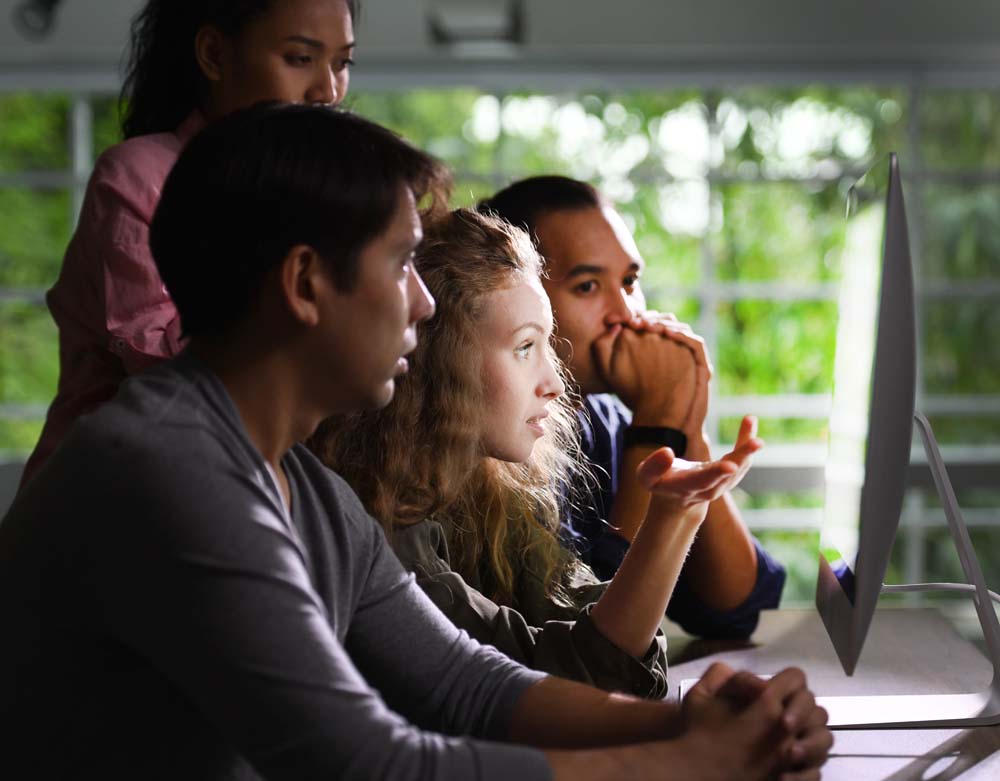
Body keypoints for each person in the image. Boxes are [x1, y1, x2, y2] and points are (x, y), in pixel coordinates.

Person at [0, 104, 830, 781]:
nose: (425, 306)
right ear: (304, 285)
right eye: (402, 264)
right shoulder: (165, 468)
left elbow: (464, 683)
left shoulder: (304, 487)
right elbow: (368, 761)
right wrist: (683, 761)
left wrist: (692, 719)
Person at [310, 208, 763, 698]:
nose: (554, 384)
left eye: (548, 344)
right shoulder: (382, 521)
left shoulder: (496, 484)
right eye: (526, 347)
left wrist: (678, 511)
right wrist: (667, 517)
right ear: (440, 366)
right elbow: (557, 681)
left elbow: (608, 644)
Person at [19, 0, 358, 488]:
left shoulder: (326, 193)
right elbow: (167, 367)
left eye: (342, 63)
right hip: (106, 496)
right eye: (301, 59)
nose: (328, 90)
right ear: (214, 54)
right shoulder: (141, 175)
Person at [480, 176, 787, 638]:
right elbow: (593, 637)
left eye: (629, 281)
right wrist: (657, 431)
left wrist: (682, 427)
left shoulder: (606, 419)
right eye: (587, 286)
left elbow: (738, 608)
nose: (625, 312)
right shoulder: (490, 442)